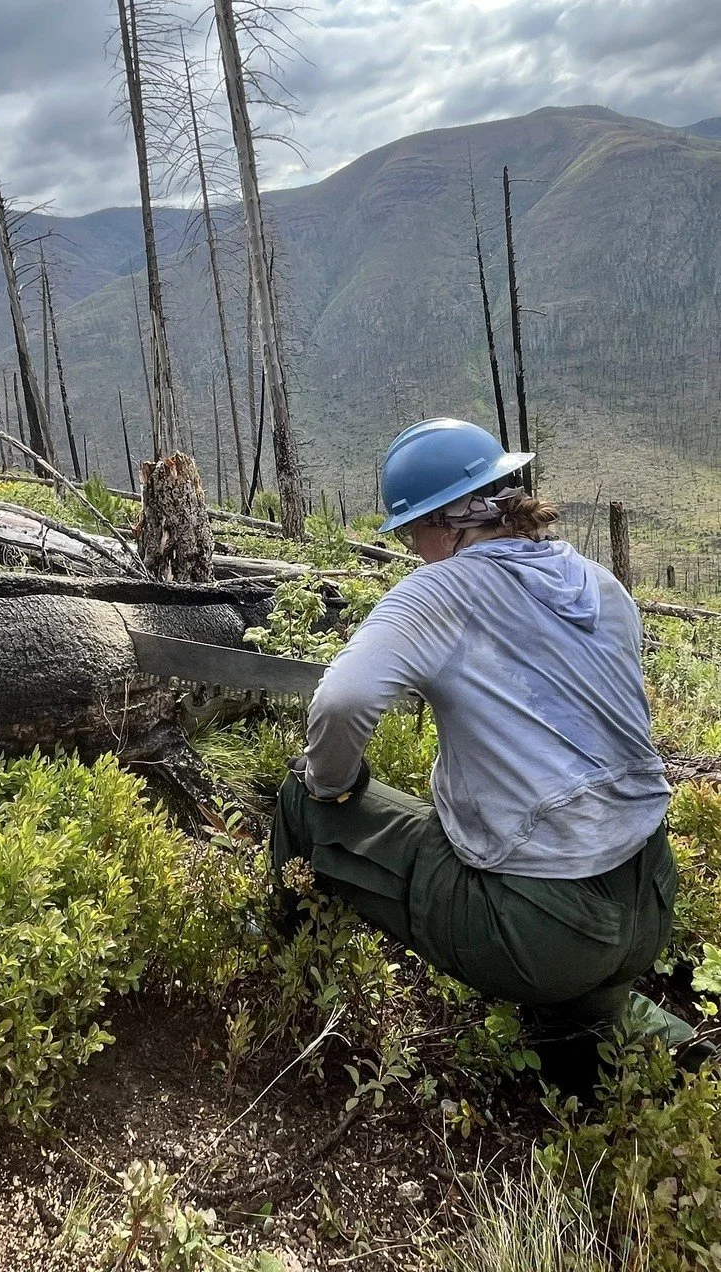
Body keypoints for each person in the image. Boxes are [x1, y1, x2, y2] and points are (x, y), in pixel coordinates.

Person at [271, 417, 697, 1070]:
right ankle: (632, 1028)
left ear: (443, 524)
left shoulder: (438, 590)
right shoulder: (597, 583)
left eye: (410, 532)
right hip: (651, 897)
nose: (413, 549)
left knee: (302, 796)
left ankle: (282, 969)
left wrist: (332, 786)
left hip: (544, 930)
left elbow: (342, 701)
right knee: (581, 968)